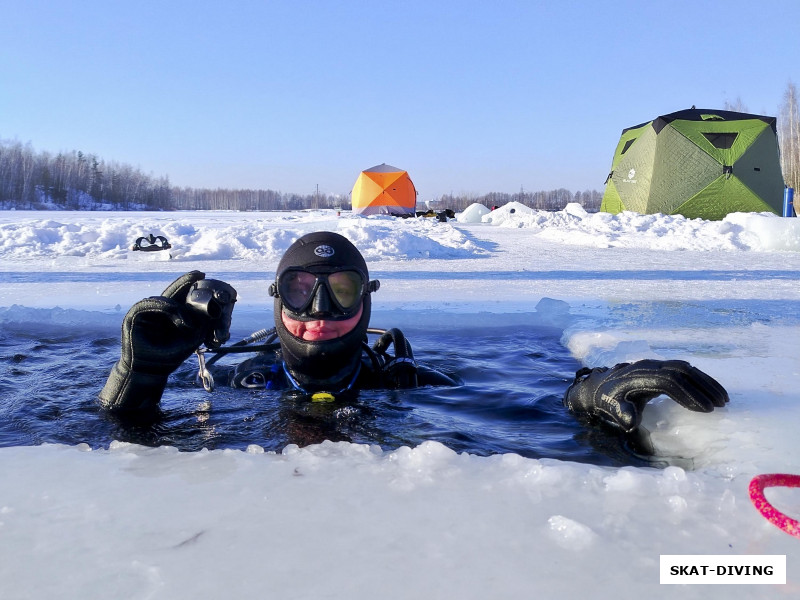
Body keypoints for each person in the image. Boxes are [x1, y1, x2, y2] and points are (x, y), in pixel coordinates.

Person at [99, 231, 728, 435]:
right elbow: (115, 447)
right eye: (299, 290)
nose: (318, 308)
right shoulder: (241, 376)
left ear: (367, 304)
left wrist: (583, 397)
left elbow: (519, 412)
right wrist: (140, 381)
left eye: (340, 290)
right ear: (275, 299)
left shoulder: (403, 382)